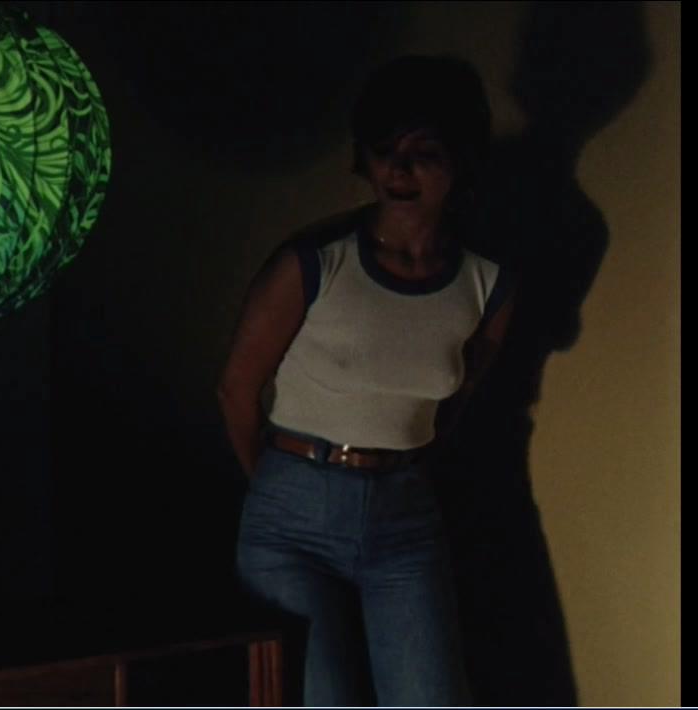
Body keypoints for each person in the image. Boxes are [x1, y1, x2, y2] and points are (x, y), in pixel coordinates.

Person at [216, 55, 515, 706]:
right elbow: (236, 389)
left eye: (423, 153)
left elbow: (460, 396)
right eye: (385, 152)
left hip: (404, 516)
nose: (400, 171)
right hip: (294, 516)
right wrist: (274, 488)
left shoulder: (483, 284)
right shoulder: (316, 264)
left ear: (458, 161)